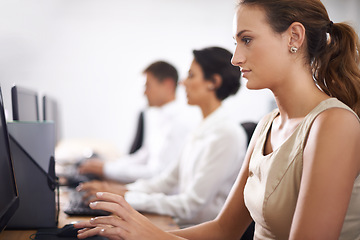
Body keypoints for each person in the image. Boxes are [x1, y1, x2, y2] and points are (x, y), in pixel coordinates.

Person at [75, 0, 360, 239]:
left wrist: (150, 235)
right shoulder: (267, 125)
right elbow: (224, 230)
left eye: (247, 40)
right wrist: (135, 229)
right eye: (236, 42)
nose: (236, 58)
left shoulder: (334, 124)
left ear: (294, 38)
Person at [77, 46, 247, 227]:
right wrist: (121, 191)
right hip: (179, 223)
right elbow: (167, 180)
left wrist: (126, 198)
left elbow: (191, 205)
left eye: (191, 75)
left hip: (194, 231)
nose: (182, 83)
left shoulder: (226, 134)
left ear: (213, 82)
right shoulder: (202, 128)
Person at [77, 61, 199, 183]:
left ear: (168, 85)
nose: (144, 92)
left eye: (148, 85)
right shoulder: (157, 116)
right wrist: (107, 165)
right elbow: (143, 156)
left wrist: (107, 169)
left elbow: (158, 174)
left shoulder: (180, 123)